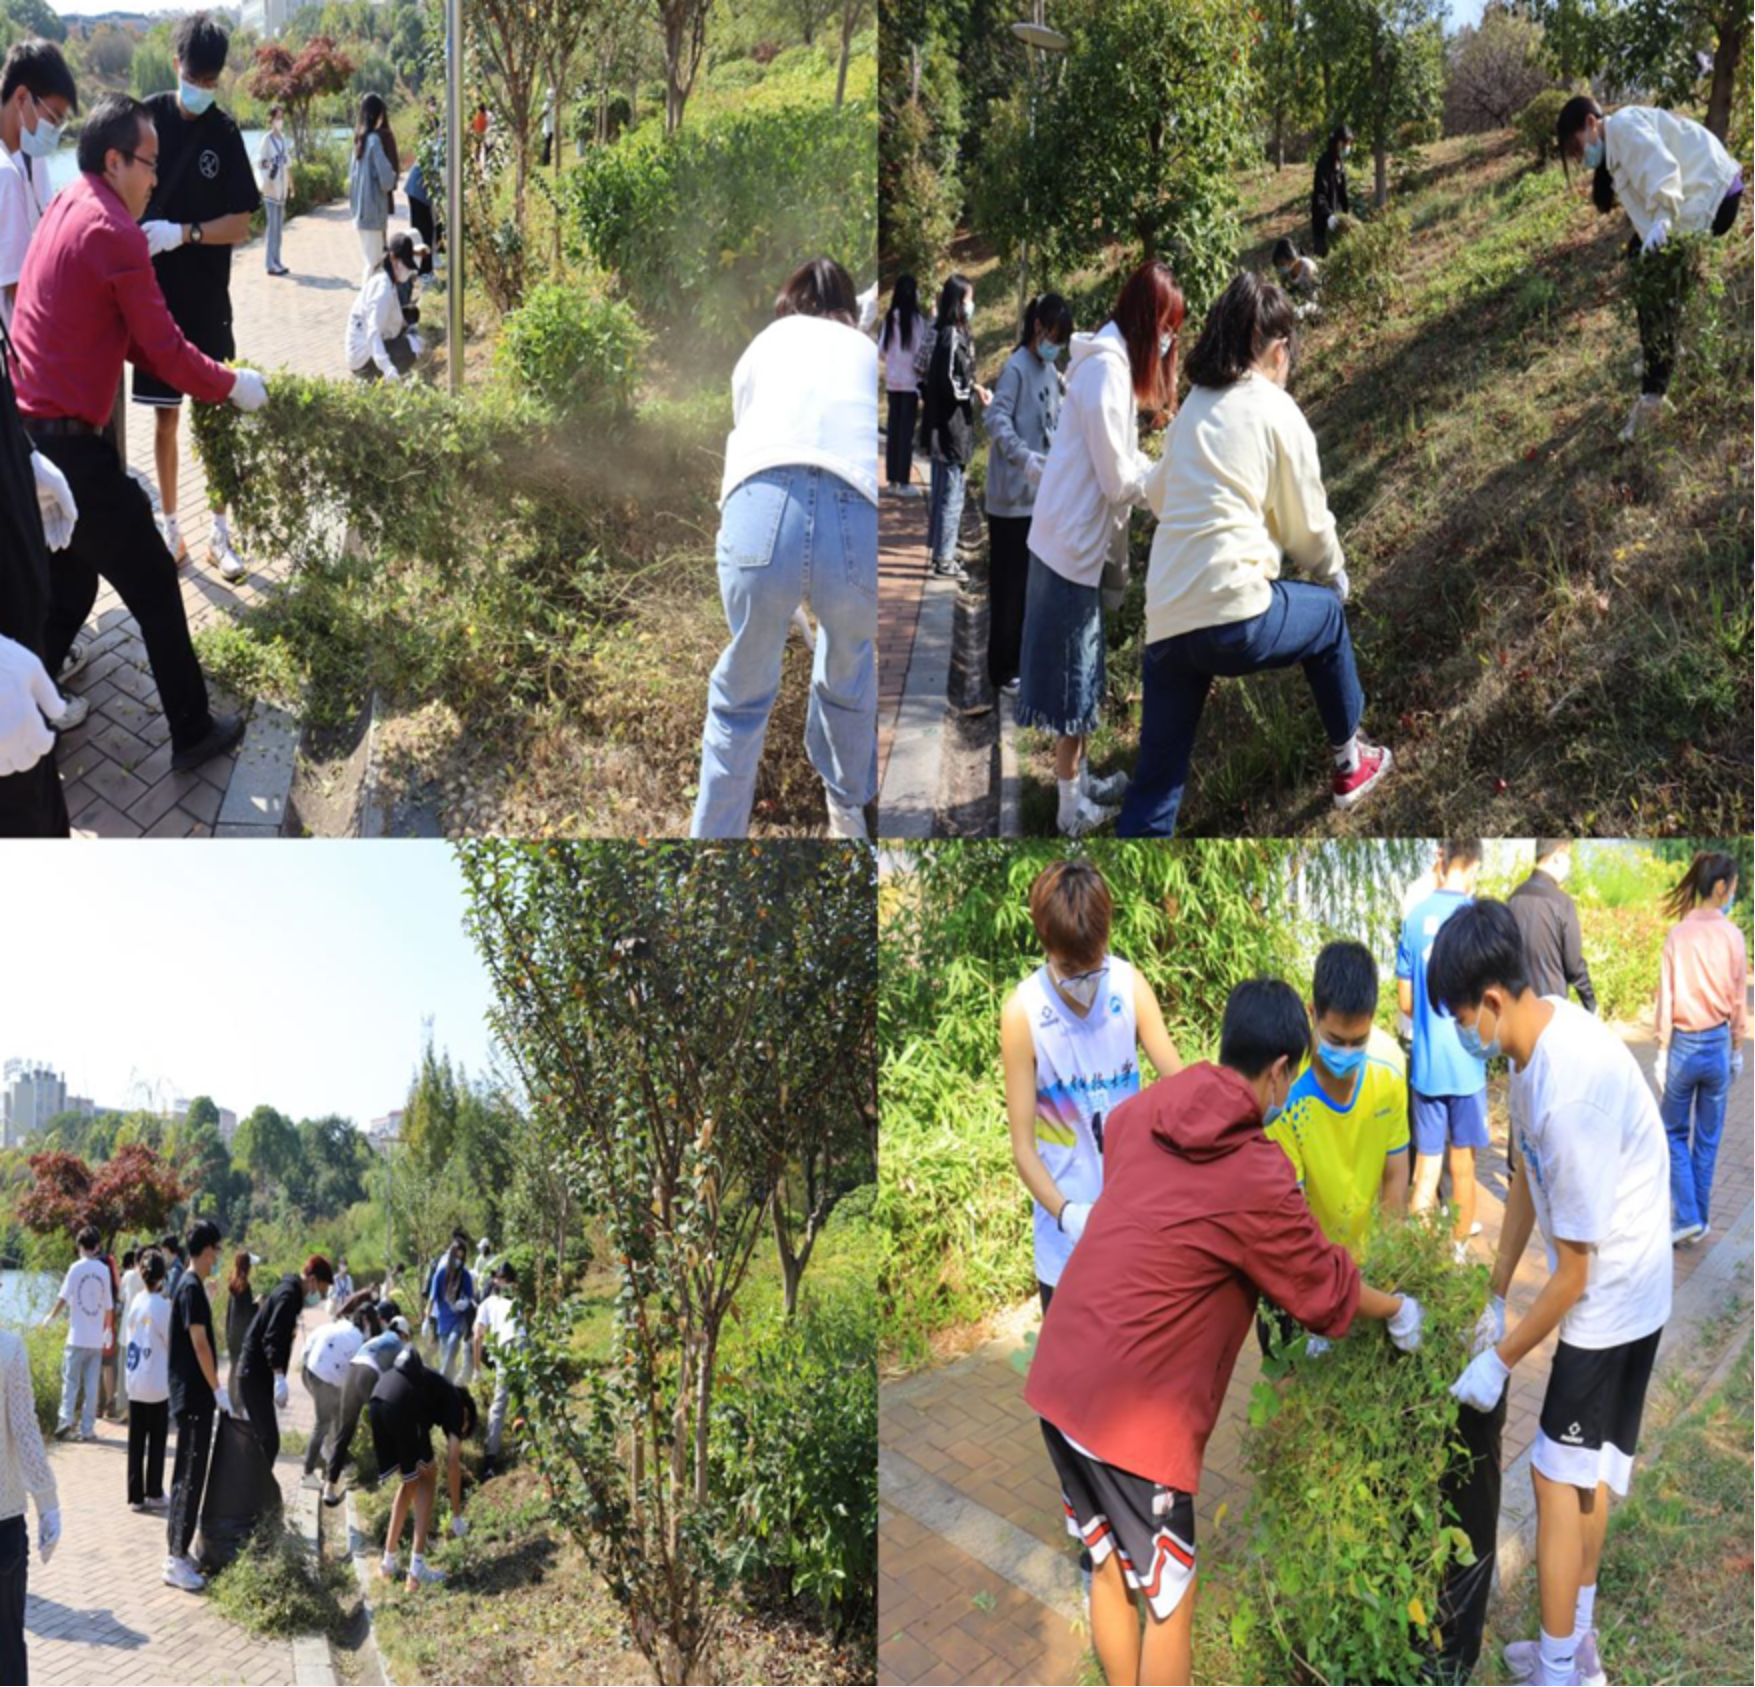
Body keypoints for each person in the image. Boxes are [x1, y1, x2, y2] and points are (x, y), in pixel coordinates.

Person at [1023, 977, 1425, 1687]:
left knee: (1108, 1565)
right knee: (1169, 1603)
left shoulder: (1145, 1109)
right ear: (1279, 1070)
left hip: (1060, 1377)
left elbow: (1129, 1165)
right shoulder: (1254, 1171)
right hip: (1134, 1420)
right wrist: (1396, 1309)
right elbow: (1319, 1282)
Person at [1434, 901, 1672, 1687]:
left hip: (1615, 1291)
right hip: (1618, 1274)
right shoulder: (1528, 1046)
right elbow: (1526, 1180)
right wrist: (1494, 1291)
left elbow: (1571, 1276)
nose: (1462, 1034)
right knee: (1582, 1465)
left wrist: (1498, 1358)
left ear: (1490, 1001)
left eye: (1460, 1018)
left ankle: (1561, 1667)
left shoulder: (1567, 1090)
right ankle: (1577, 1643)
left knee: (1552, 1471)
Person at [14, 94, 266, 779]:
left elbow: (119, 333)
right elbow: (165, 349)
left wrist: (198, 370)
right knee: (154, 577)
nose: (156, 179)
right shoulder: (116, 232)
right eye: (150, 164)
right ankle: (192, 730)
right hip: (72, 451)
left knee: (71, 586)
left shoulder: (67, 203)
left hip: (30, 444)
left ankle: (24, 708)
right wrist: (231, 384)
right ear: (114, 160)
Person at [1116, 272, 1391, 836]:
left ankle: (1141, 838)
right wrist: (1334, 572)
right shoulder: (1275, 408)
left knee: (1155, 789)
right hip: (1234, 616)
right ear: (1279, 348)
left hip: (1166, 620)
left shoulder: (1192, 409)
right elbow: (1307, 525)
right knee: (1327, 619)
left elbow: (1161, 496)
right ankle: (1350, 763)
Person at [691, 257, 878, 841]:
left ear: (789, 302)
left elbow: (749, 429)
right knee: (849, 673)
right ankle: (849, 821)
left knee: (740, 702)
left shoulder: (764, 344)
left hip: (761, 511)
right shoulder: (863, 349)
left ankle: (713, 846)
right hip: (856, 518)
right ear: (848, 307)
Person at [1022, 260, 1183, 836]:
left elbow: (1117, 459)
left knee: (1086, 672)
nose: (1168, 342)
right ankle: (1070, 810)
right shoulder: (1107, 373)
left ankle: (1082, 782)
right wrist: (1166, 482)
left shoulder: (1108, 363)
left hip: (1072, 543)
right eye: (1165, 327)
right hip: (1069, 549)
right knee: (1075, 682)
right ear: (1145, 319)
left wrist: (1154, 474)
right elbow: (1117, 480)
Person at [132, 13, 260, 584]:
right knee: (165, 418)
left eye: (210, 81)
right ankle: (170, 528)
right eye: (193, 78)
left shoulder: (225, 133)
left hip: (209, 300)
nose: (200, 90)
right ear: (175, 65)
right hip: (155, 304)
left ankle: (220, 534)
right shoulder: (146, 120)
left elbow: (243, 223)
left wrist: (184, 233)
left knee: (216, 418)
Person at [1556, 96, 1743, 441]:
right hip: (1699, 193)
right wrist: (1656, 227)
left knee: (1654, 288)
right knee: (1638, 260)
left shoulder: (1624, 127)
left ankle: (1654, 396)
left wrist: (1663, 218)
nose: (1579, 157)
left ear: (1591, 123)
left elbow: (1663, 168)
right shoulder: (1613, 149)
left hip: (1714, 193)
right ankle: (1662, 348)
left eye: (1575, 147)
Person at [1269, 940, 1410, 1266]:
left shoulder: (1389, 1067)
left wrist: (1387, 1260)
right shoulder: (1286, 1091)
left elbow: (1395, 1175)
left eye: (1358, 1041)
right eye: (1334, 1039)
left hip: (1371, 1262)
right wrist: (1333, 1280)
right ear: (1312, 1013)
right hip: (1312, 1263)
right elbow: (1293, 1215)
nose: (1346, 1052)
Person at [1398, 840, 1490, 1255]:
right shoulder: (1476, 919)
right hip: (1467, 1067)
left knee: (1425, 1169)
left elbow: (1404, 1002)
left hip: (1426, 1068)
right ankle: (1458, 1257)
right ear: (1474, 866)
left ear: (1444, 859)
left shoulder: (1415, 917)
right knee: (1463, 1166)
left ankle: (1419, 1261)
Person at [1655, 849, 1746, 1246]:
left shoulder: (1678, 934)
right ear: (1721, 887)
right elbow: (1739, 999)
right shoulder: (1733, 936)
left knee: (1673, 1132)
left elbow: (1667, 995)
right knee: (1707, 1139)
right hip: (1718, 1043)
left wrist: (1661, 1049)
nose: (1734, 893)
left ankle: (1689, 1217)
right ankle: (1699, 1220)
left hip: (1683, 1045)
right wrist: (1737, 1049)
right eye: (1734, 886)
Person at [986, 293, 1071, 696]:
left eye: (1061, 341)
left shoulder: (1051, 370)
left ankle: (1021, 662)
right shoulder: (1015, 368)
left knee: (1030, 588)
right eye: (1053, 336)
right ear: (1038, 328)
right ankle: (1002, 670)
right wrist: (1023, 457)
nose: (1055, 346)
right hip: (1010, 502)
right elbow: (996, 418)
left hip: (1040, 499)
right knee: (1009, 588)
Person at [369, 1347, 476, 1590]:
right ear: (466, 1414)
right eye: (464, 1428)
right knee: (429, 1477)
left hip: (377, 1398)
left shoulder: (435, 1388)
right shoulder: (455, 1403)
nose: (460, 1431)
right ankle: (416, 1573)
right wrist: (457, 1516)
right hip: (402, 1404)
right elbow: (453, 1463)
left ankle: (388, 1563)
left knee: (411, 1483)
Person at [165, 1218, 230, 1592]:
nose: (217, 1257)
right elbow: (200, 1344)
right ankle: (174, 1560)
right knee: (188, 1477)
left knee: (191, 1475)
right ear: (206, 1251)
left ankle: (179, 1550)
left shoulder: (192, 1287)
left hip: (195, 1398)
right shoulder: (190, 1287)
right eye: (216, 1251)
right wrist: (217, 1388)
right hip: (192, 1397)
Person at [0, 40, 78, 333]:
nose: (53, 132)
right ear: (22, 98)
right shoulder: (6, 175)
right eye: (52, 118)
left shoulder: (25, 161)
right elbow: (18, 290)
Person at [917, 273, 989, 581]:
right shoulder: (950, 336)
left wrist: (974, 387)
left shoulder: (953, 333)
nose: (972, 305)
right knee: (951, 495)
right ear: (958, 302)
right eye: (969, 300)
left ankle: (941, 553)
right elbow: (947, 382)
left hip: (950, 426)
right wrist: (973, 389)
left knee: (948, 492)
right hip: (949, 428)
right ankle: (944, 561)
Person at [0, 1318, 59, 1685]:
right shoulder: (8, 1349)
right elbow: (23, 1428)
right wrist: (46, 1502)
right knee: (7, 1644)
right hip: (3, 1518)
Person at [235, 1253, 334, 1467]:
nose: (319, 1295)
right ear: (312, 1279)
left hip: (257, 1374)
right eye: (321, 1289)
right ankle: (253, 1486)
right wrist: (279, 1376)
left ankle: (252, 1485)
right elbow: (271, 1337)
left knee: (263, 1440)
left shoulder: (292, 1294)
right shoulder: (288, 1295)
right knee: (269, 1441)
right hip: (252, 1373)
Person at [1509, 840, 1598, 1015]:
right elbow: (1574, 966)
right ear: (1557, 857)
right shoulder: (1561, 902)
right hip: (1550, 1010)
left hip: (1516, 1007)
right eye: (1568, 856)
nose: (1569, 864)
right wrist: (1591, 1005)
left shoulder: (1513, 898)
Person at [299, 1287, 374, 1495]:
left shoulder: (341, 1324)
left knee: (336, 1418)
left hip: (311, 1369)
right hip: (323, 1376)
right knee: (323, 1423)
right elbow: (354, 1377)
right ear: (366, 1321)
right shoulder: (358, 1341)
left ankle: (340, 1459)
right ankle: (308, 1472)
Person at [41, 1224, 111, 1442]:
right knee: (91, 1385)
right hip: (95, 1339)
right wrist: (108, 1329)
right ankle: (87, 1429)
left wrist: (51, 1317)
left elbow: (63, 1298)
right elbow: (109, 1305)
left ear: (79, 1245)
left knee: (70, 1381)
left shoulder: (75, 1268)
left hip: (76, 1336)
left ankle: (66, 1420)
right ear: (97, 1246)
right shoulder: (104, 1270)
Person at [123, 1249, 172, 1514]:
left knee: (136, 1441)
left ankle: (135, 1496)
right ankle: (154, 1492)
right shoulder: (163, 1306)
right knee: (156, 1440)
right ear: (162, 1276)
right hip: (156, 1381)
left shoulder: (136, 1302)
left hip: (135, 1378)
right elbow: (170, 1341)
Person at [345, 231, 420, 383]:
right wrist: (387, 368)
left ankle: (375, 377)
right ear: (393, 259)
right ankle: (374, 380)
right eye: (405, 264)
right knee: (414, 347)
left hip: (360, 354)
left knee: (410, 337)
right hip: (364, 360)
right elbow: (373, 333)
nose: (407, 270)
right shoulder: (383, 289)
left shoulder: (386, 280)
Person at [472, 1261, 523, 1479]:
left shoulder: (486, 1304)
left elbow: (477, 1337)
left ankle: (490, 1462)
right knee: (520, 1395)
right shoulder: (513, 1300)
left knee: (499, 1402)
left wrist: (476, 1370)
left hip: (508, 1344)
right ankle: (522, 1445)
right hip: (523, 1341)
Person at [880, 274, 924, 496]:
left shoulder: (890, 317)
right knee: (906, 433)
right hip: (910, 384)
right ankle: (903, 483)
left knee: (894, 432)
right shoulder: (917, 321)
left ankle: (892, 482)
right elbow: (921, 352)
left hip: (892, 383)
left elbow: (882, 350)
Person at [349, 92, 398, 281]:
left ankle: (367, 298)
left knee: (370, 263)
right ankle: (365, 300)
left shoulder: (358, 141)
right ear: (376, 115)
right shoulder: (374, 141)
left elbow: (352, 178)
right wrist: (393, 175)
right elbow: (387, 180)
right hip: (374, 213)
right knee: (374, 266)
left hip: (359, 213)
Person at [427, 1236, 475, 1384]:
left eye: (461, 1258)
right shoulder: (441, 1273)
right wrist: (427, 1320)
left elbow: (471, 1297)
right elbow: (432, 1298)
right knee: (447, 1358)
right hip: (443, 1321)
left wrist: (465, 1303)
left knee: (453, 1344)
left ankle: (439, 1381)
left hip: (458, 1320)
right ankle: (449, 1387)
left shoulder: (465, 1275)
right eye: (456, 1257)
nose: (458, 1261)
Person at [257, 104, 291, 277]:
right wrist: (269, 166)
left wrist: (291, 185)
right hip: (271, 190)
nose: (280, 121)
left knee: (279, 228)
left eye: (281, 117)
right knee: (272, 227)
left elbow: (287, 163)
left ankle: (277, 261)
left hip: (281, 190)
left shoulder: (283, 139)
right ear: (271, 119)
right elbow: (260, 161)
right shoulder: (267, 139)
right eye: (277, 117)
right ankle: (270, 264)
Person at [1311, 123, 1353, 258]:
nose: (1347, 147)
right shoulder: (1324, 163)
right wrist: (1328, 215)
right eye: (1344, 143)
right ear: (1337, 142)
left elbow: (1342, 195)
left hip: (1337, 221)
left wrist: (1346, 216)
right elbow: (1319, 195)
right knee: (1324, 256)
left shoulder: (1340, 165)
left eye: (1349, 144)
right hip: (1323, 223)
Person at [116, 1246, 144, 1421]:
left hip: (127, 1331)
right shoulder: (149, 1276)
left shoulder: (128, 1275)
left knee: (124, 1372)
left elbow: (120, 1296)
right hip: (143, 1332)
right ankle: (138, 1409)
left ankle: (125, 1409)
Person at [223, 1247, 255, 1401]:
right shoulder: (245, 1286)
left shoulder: (233, 1283)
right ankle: (236, 1401)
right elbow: (248, 1314)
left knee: (233, 1368)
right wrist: (257, 1305)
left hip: (232, 1335)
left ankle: (231, 1399)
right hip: (241, 1337)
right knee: (239, 1370)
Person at [1271, 236, 1321, 319]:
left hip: (1315, 303)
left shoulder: (1308, 267)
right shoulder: (1286, 273)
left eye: (1282, 264)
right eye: (1279, 266)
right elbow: (1283, 290)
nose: (1282, 268)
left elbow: (1316, 293)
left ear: (1291, 257)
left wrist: (1304, 307)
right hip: (1299, 303)